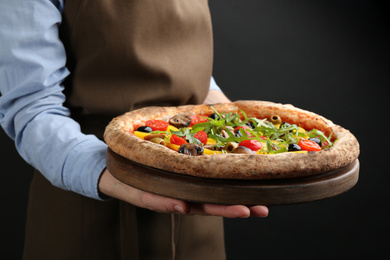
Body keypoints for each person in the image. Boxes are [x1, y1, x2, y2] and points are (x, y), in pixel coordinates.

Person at [0, 0, 269, 259]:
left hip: (198, 200)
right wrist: (114, 171)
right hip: (87, 200)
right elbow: (32, 106)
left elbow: (188, 70)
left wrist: (242, 127)